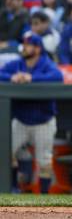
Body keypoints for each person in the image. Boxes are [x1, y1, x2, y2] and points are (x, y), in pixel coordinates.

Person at [0, 32, 63, 193]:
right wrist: (12, 77)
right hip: (21, 119)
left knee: (44, 161)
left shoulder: (46, 64)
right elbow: (1, 73)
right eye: (24, 44)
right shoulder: (17, 64)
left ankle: (43, 198)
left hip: (43, 120)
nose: (24, 48)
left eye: (29, 45)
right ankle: (13, 189)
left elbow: (57, 76)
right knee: (6, 153)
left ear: (38, 48)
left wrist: (31, 78)